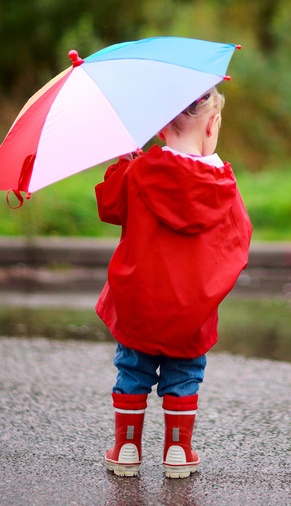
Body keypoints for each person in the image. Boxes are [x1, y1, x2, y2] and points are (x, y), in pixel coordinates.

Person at [95, 87, 252, 478]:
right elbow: (240, 240)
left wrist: (124, 161)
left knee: (133, 370)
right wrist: (208, 287)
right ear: (213, 124)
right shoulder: (223, 186)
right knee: (184, 374)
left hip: (139, 303)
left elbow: (109, 208)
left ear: (161, 128)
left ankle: (127, 447)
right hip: (192, 310)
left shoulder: (139, 171)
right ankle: (178, 451)